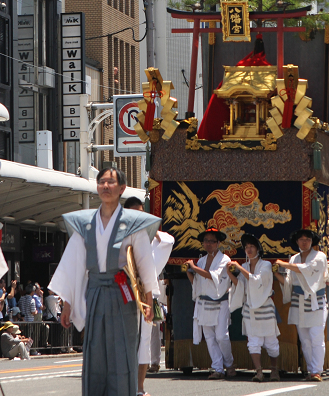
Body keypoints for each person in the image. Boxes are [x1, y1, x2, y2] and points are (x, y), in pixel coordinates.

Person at [49, 167, 160, 396]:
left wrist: (148, 300)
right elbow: (74, 265)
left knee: (123, 349)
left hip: (123, 292)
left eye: (111, 182)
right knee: (95, 350)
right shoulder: (85, 223)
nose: (105, 186)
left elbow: (144, 263)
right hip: (96, 292)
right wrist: (67, 303)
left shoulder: (133, 223)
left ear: (122, 189)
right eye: (101, 182)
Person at [123, 196, 174, 396]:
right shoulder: (120, 235)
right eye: (135, 213)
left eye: (142, 213)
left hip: (146, 296)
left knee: (144, 341)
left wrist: (152, 232)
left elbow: (169, 240)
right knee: (124, 341)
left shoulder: (151, 238)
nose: (139, 217)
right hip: (124, 294)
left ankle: (140, 387)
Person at [275, 229, 328, 382]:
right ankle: (311, 369)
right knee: (304, 339)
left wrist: (284, 264)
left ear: (312, 242)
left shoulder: (320, 257)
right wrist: (277, 275)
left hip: (315, 301)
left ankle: (317, 370)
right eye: (301, 239)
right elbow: (290, 283)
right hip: (299, 301)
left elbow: (308, 270)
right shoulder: (294, 259)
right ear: (297, 241)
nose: (304, 242)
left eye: (307, 239)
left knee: (316, 337)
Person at [229, 233, 280, 383]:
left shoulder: (266, 265)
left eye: (251, 246)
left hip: (265, 308)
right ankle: (259, 372)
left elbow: (256, 281)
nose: (249, 249)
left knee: (271, 342)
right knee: (253, 342)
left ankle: (274, 370)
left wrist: (238, 267)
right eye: (246, 247)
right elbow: (241, 285)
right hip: (250, 309)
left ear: (258, 249)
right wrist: (230, 273)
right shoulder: (244, 266)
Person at [187, 227, 235, 380]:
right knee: (209, 336)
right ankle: (217, 368)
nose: (208, 244)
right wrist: (190, 273)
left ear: (218, 243)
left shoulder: (224, 259)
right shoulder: (201, 260)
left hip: (221, 302)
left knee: (221, 336)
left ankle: (229, 363)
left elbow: (211, 277)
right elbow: (198, 284)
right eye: (206, 241)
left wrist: (194, 267)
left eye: (212, 241)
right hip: (204, 303)